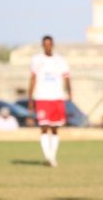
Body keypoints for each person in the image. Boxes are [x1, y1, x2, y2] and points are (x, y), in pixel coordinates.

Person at [27, 35, 71, 167]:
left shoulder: (60, 60)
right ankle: (47, 156)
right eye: (45, 44)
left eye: (49, 44)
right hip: (42, 97)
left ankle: (52, 156)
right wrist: (30, 98)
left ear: (52, 45)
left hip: (57, 97)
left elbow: (67, 78)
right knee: (44, 127)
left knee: (55, 128)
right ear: (42, 45)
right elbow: (33, 79)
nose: (47, 47)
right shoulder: (36, 60)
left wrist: (70, 93)